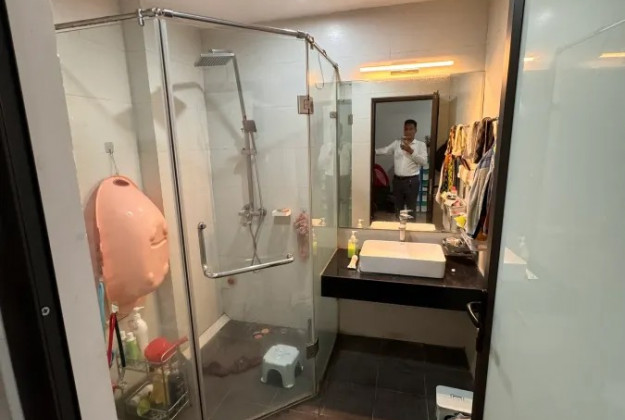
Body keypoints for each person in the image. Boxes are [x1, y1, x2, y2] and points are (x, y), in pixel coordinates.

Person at [375, 119, 428, 218]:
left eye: (411, 129)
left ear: (415, 130)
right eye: (406, 129)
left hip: (412, 182)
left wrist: (411, 151)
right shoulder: (397, 143)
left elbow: (423, 162)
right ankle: (399, 226)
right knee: (398, 208)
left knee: (411, 209)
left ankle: (410, 227)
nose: (408, 131)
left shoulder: (421, 145)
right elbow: (385, 150)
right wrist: (371, 151)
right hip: (397, 181)